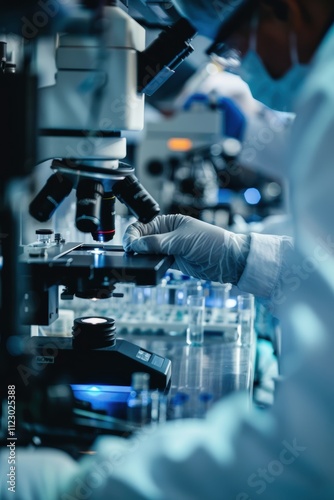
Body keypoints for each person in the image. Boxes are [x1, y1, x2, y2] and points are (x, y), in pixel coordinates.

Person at [2, 1, 334, 498]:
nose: (239, 59)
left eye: (230, 43)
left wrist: (82, 487)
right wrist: (243, 259)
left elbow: (310, 455)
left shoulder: (326, 105)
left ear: (289, 10)